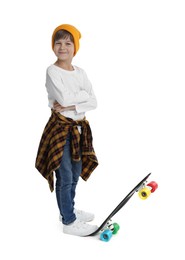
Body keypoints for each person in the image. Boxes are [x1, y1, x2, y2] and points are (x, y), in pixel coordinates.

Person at [35, 24, 98, 236]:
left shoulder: (80, 72)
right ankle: (69, 223)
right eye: (58, 42)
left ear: (75, 47)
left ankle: (68, 210)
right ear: (53, 46)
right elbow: (62, 98)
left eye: (68, 43)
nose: (63, 47)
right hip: (61, 129)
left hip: (79, 130)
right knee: (65, 175)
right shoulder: (52, 71)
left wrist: (74, 102)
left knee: (76, 172)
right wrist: (80, 98)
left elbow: (94, 101)